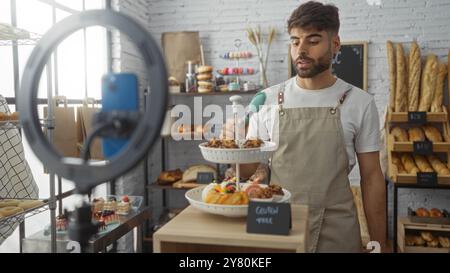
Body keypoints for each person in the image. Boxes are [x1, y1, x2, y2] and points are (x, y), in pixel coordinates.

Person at [228, 1, 387, 253]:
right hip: (277, 221)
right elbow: (248, 170)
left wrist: (381, 244)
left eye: (312, 41)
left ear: (335, 44)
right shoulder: (266, 99)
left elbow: (372, 179)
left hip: (336, 227)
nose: (301, 49)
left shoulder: (360, 103)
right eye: (295, 41)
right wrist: (236, 146)